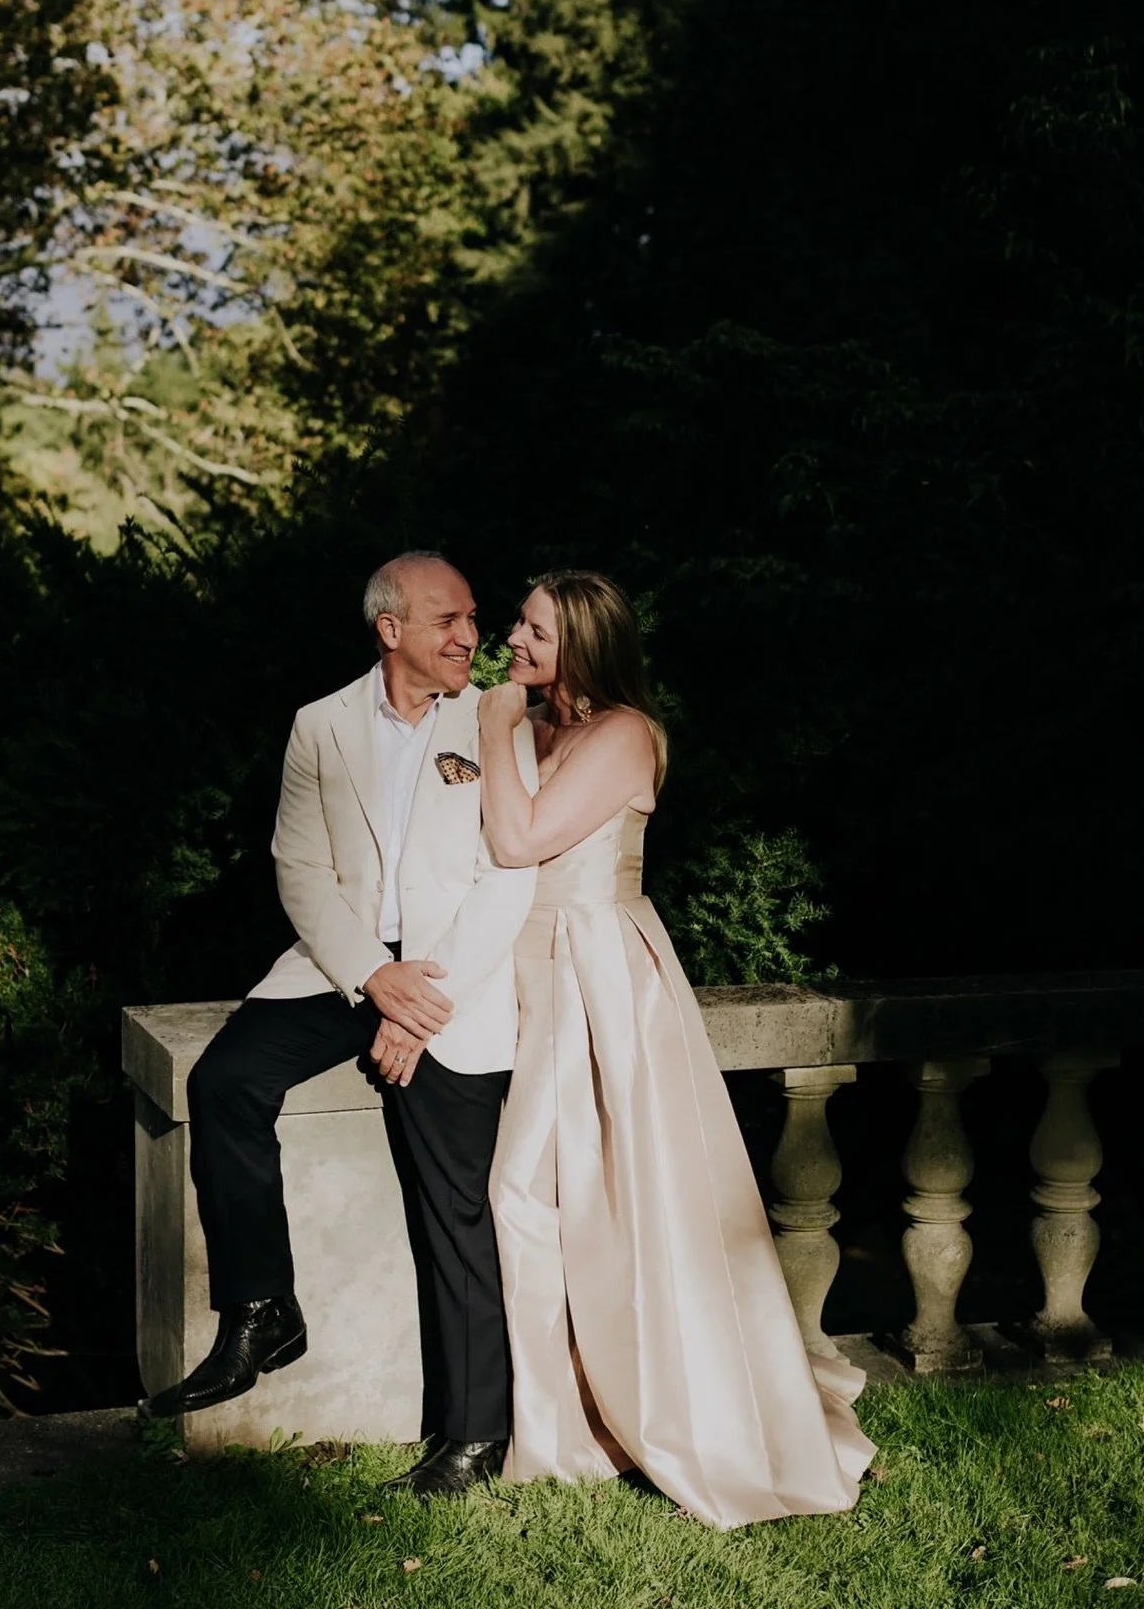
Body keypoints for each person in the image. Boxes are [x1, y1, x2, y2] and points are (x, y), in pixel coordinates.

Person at [476, 570, 875, 1530]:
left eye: (535, 630)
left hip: (595, 976)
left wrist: (490, 727)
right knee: (548, 1201)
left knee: (577, 1197)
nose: (514, 640)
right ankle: (572, 1419)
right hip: (523, 973)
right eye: (519, 624)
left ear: (583, 642)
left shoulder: (621, 732)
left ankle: (628, 1419)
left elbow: (519, 840)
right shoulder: (539, 726)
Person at [144, 552, 539, 1497]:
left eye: (473, 617)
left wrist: (420, 1000)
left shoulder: (493, 719)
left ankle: (475, 1437)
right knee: (225, 1082)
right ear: (389, 629)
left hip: (452, 976)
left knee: (455, 1203)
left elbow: (508, 875)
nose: (470, 636)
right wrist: (371, 976)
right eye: (448, 620)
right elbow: (301, 870)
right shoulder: (319, 724)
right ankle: (261, 1307)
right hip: (341, 966)